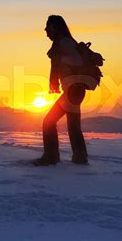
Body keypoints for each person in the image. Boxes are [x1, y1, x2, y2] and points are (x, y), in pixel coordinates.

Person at [33, 15, 88, 166]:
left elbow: (77, 61)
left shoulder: (64, 42)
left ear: (55, 27)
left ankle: (51, 157)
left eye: (48, 26)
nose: (45, 30)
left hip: (74, 89)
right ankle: (80, 159)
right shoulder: (62, 43)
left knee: (49, 121)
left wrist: (62, 60)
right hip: (73, 90)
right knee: (73, 127)